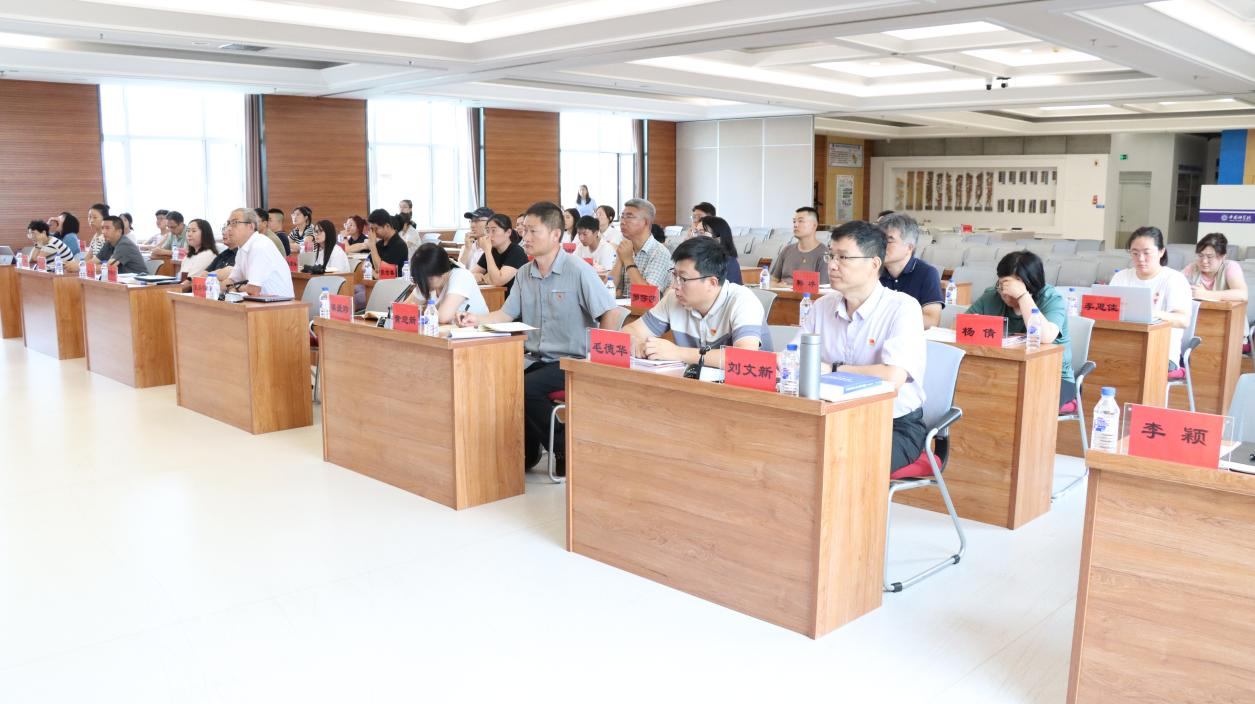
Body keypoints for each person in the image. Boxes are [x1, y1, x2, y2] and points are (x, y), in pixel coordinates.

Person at [456, 201, 623, 477]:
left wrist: (596, 361)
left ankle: (564, 447)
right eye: (525, 231)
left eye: (534, 231)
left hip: (571, 360)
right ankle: (527, 450)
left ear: (556, 234)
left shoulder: (578, 270)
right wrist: (476, 319)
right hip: (534, 358)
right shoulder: (525, 273)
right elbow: (505, 314)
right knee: (499, 381)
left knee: (525, 387)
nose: (526, 237)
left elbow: (610, 312)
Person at [798, 220, 927, 473]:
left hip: (893, 424)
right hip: (830, 416)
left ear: (874, 264)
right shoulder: (822, 306)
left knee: (842, 465)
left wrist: (833, 369)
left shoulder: (903, 308)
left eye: (843, 257)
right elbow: (794, 359)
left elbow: (892, 377)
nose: (832, 265)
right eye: (830, 256)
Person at [624, 236, 766, 371]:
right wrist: (636, 342)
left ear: (711, 283)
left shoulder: (743, 301)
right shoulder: (674, 299)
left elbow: (745, 358)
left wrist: (678, 353)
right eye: (675, 276)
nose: (675, 286)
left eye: (683, 279)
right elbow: (629, 331)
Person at [966, 250, 1075, 408]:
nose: (1006, 294)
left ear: (1032, 284)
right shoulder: (992, 296)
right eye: (1002, 286)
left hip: (1053, 376)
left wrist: (1023, 296)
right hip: (1005, 372)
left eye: (1012, 289)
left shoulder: (1051, 298)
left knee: (1023, 403)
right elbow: (958, 327)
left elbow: (1045, 337)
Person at [1110, 226, 1192, 370]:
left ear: (1161, 252)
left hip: (1161, 353)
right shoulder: (1121, 277)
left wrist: (1150, 313)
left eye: (1146, 253)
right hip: (1122, 347)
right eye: (1135, 253)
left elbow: (1183, 320)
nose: (1140, 259)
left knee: (1125, 366)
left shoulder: (1174, 279)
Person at [876, 212, 943, 329]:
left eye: (889, 241)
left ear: (909, 247)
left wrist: (889, 319)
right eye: (879, 239)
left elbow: (932, 321)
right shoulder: (873, 270)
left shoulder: (927, 273)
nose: (880, 245)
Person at [405, 243, 488, 322]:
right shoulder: (426, 280)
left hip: (476, 330)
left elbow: (443, 317)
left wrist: (420, 311)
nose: (423, 282)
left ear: (442, 272)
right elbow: (404, 309)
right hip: (448, 330)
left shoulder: (461, 276)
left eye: (428, 278)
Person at [222, 208, 294, 297]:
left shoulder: (260, 245)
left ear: (251, 226)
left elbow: (253, 290)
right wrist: (214, 287)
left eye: (235, 223)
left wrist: (236, 287)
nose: (229, 228)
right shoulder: (242, 249)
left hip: (281, 303)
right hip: (261, 302)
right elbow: (232, 280)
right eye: (228, 223)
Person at [609, 198, 671, 297]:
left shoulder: (659, 253)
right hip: (624, 306)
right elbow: (608, 289)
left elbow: (647, 295)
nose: (622, 222)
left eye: (629, 217)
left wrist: (628, 260)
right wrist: (620, 259)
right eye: (622, 217)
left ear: (646, 222)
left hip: (647, 307)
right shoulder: (626, 248)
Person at [770, 206, 829, 287]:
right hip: (782, 293)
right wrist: (778, 286)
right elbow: (773, 281)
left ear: (814, 225)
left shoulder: (824, 254)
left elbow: (823, 288)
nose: (795, 225)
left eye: (800, 221)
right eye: (794, 221)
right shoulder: (787, 250)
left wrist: (790, 288)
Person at [1183, 232, 1248, 302]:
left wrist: (1205, 294)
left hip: (1223, 309)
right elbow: (1175, 284)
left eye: (1209, 256)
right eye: (1200, 256)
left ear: (1223, 256)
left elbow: (1242, 294)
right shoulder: (1193, 267)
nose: (1204, 261)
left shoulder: (1230, 267)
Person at [473, 213, 529, 293]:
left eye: (494, 230)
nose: (489, 235)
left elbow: (497, 281)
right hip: (496, 297)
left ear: (508, 232)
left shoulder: (517, 252)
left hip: (515, 299)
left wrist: (487, 252)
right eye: (488, 231)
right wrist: (480, 277)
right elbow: (471, 274)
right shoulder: (491, 251)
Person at [695, 215, 743, 285]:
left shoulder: (729, 263)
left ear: (718, 238)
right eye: (696, 232)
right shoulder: (697, 258)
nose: (696, 237)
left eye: (701, 233)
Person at [365, 209, 410, 274]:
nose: (374, 233)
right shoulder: (379, 244)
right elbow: (365, 266)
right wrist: (376, 274)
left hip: (394, 281)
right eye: (372, 229)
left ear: (387, 226)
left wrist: (372, 245)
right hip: (377, 280)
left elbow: (382, 270)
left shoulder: (400, 245)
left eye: (376, 229)